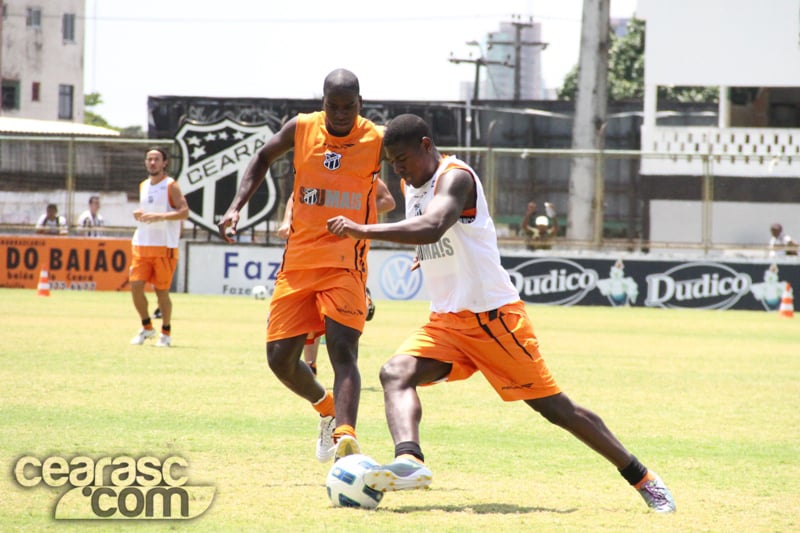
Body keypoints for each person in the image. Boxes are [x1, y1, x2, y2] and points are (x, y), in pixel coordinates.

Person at [326, 114, 676, 513]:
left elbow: (434, 225)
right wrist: (426, 258)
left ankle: (643, 478)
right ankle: (410, 461)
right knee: (395, 372)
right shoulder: (411, 184)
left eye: (402, 158)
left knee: (558, 410)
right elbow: (434, 236)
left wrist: (362, 229)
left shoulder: (456, 177)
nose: (398, 169)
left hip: (493, 320)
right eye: (392, 162)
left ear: (426, 145)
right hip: (446, 322)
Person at [218, 69, 385, 463]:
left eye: (349, 106)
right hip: (298, 262)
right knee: (280, 360)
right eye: (333, 106)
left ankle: (347, 440)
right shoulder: (301, 128)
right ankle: (326, 411)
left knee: (343, 351)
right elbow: (261, 156)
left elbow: (414, 176)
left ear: (361, 102)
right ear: (322, 102)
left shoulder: (377, 139)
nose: (341, 114)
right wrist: (235, 206)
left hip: (347, 263)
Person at [276, 181, 395, 375]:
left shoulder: (360, 170)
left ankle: (345, 376)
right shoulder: (314, 166)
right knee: (309, 314)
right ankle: (311, 366)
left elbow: (388, 201)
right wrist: (286, 220)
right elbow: (296, 194)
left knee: (340, 326)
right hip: (311, 249)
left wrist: (354, 217)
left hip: (345, 255)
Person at [129, 148, 189, 348]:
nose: (152, 162)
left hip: (164, 247)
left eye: (156, 159)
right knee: (136, 285)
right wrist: (139, 213)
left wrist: (160, 217)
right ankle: (147, 327)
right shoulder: (143, 185)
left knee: (161, 291)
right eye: (149, 159)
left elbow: (184, 212)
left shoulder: (171, 185)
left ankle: (166, 332)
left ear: (165, 163)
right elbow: (147, 210)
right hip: (142, 244)